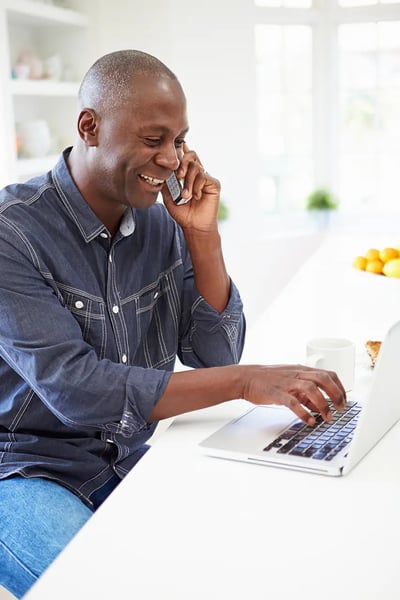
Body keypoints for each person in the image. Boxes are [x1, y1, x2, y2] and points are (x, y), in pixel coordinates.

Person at [0, 49, 346, 599]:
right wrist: (247, 382)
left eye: (178, 140)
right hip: (25, 467)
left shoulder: (161, 223)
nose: (170, 158)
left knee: (247, 557)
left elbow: (214, 356)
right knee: (100, 588)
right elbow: (76, 388)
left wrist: (202, 237)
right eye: (153, 138)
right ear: (90, 127)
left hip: (129, 454)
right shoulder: (12, 233)